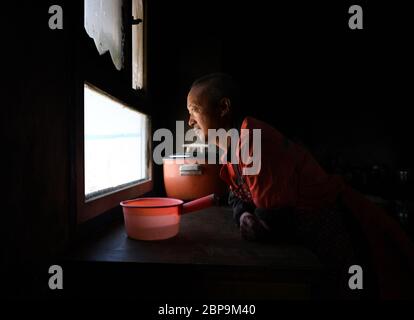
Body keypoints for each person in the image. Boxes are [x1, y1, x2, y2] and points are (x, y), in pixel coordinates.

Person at [186, 73, 414, 299]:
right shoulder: (232, 147)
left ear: (223, 107)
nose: (190, 121)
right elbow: (237, 197)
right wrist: (244, 215)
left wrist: (255, 220)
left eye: (194, 110)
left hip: (334, 223)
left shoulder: (253, 138)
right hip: (303, 234)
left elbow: (272, 217)